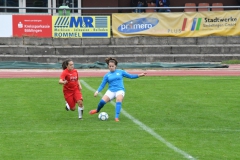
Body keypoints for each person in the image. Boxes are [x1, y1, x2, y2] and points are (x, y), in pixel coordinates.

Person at [89, 57, 147, 122]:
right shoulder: (107, 75)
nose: (111, 67)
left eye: (112, 66)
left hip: (120, 90)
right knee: (102, 102)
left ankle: (116, 117)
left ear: (115, 66)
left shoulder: (121, 72)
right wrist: (97, 91)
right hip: (111, 91)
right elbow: (102, 85)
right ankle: (97, 110)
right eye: (109, 66)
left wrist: (140, 75)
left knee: (118, 100)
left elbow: (130, 76)